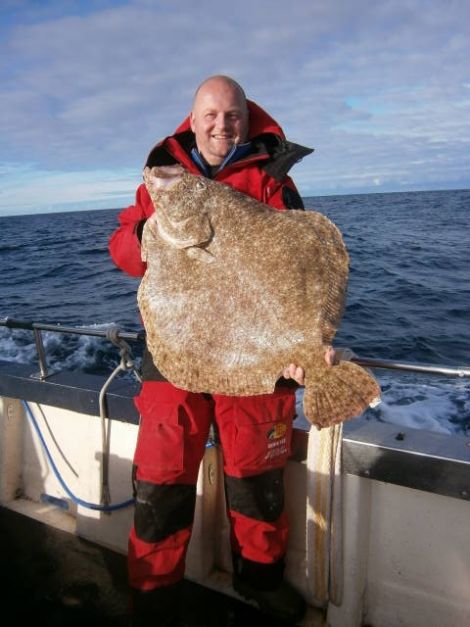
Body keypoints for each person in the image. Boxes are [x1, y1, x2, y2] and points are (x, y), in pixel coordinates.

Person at [109, 75, 332, 626]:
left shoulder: (273, 177)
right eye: (210, 115)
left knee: (258, 478)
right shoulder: (167, 172)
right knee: (161, 478)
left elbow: (300, 266)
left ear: (246, 119)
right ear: (193, 117)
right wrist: (145, 235)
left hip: (254, 353)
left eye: (232, 115)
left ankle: (261, 582)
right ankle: (154, 592)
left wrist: (309, 342)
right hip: (177, 350)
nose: (221, 125)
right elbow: (124, 250)